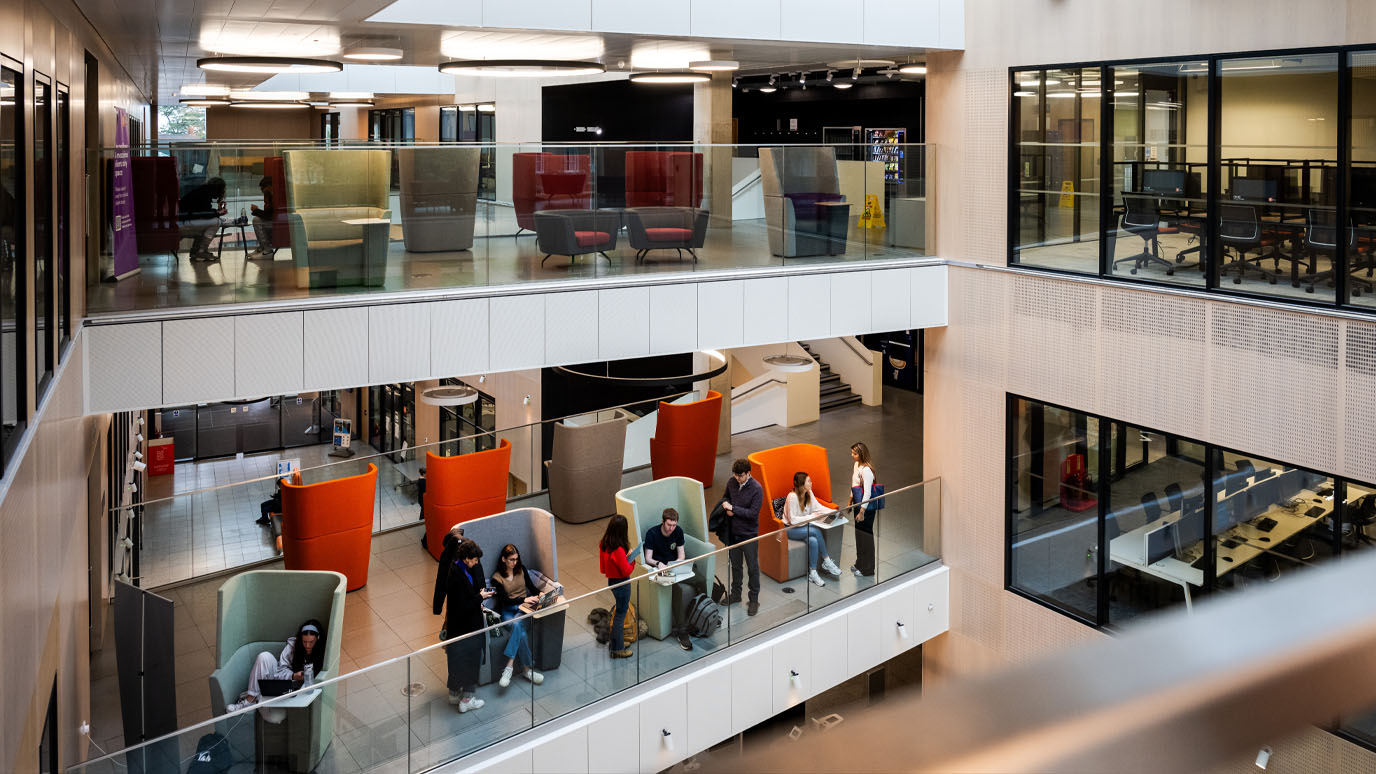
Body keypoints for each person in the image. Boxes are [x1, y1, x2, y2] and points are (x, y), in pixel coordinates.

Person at [433, 534, 492, 712]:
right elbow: (464, 605)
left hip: (457, 627)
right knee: (471, 659)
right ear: (467, 558)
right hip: (468, 626)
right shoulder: (457, 576)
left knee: (456, 659)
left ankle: (453, 693)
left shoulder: (455, 568)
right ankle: (467, 699)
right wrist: (480, 597)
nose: (476, 564)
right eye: (474, 561)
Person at [225, 619, 325, 715]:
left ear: (318, 638)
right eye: (304, 642)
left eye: (311, 642)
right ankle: (249, 700)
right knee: (264, 656)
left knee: (276, 717)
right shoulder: (293, 646)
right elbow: (280, 670)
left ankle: (259, 699)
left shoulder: (322, 652)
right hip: (283, 681)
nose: (307, 645)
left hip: (299, 692)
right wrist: (293, 676)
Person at [490, 543, 545, 688]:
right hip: (508, 611)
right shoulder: (497, 578)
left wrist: (540, 594)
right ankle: (527, 671)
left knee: (517, 624)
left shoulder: (521, 569)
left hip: (524, 609)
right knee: (519, 631)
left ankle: (509, 668)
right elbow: (504, 600)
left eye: (516, 559)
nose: (515, 562)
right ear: (503, 559)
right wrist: (524, 599)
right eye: (511, 560)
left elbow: (532, 588)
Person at [642, 508, 693, 651]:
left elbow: (681, 555)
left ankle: (700, 617)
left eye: (674, 525)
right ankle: (682, 631)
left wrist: (675, 564)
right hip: (659, 568)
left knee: (699, 579)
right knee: (676, 591)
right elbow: (648, 558)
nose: (671, 528)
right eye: (669, 525)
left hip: (674, 567)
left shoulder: (678, 531)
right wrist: (659, 564)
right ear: (662, 522)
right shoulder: (652, 534)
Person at [784, 472, 844, 587]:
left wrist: (834, 512)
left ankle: (812, 573)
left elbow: (819, 508)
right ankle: (827, 561)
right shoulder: (791, 497)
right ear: (802, 484)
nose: (811, 483)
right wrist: (811, 517)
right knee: (816, 531)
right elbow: (793, 521)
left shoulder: (809, 493)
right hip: (790, 530)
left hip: (804, 527)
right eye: (809, 481)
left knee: (813, 540)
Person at [719, 459, 763, 616]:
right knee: (735, 566)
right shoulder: (732, 482)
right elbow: (725, 497)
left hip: (749, 534)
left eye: (741, 476)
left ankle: (753, 600)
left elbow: (752, 514)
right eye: (735, 475)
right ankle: (736, 595)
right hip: (733, 533)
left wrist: (734, 509)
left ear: (748, 473)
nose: (737, 478)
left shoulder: (757, 489)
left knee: (752, 568)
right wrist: (726, 506)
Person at [599, 514, 635, 659]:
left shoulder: (604, 543)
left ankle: (616, 643)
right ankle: (617, 649)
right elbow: (627, 570)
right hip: (622, 583)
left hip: (612, 582)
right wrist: (632, 559)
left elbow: (603, 568)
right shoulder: (618, 549)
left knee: (618, 612)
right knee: (620, 614)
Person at [848, 442, 879, 577]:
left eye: (854, 453)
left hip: (866, 508)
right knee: (859, 536)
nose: (852, 455)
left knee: (866, 537)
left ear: (861, 454)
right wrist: (850, 500)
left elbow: (867, 493)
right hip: (857, 503)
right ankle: (860, 563)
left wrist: (862, 511)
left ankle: (868, 569)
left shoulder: (867, 470)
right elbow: (854, 484)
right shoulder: (857, 465)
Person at [178, 177, 226, 261]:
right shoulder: (204, 194)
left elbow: (204, 211)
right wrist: (218, 213)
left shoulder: (202, 191)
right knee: (216, 222)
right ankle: (201, 252)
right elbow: (203, 214)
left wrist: (217, 212)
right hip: (183, 224)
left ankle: (196, 251)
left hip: (181, 222)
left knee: (206, 227)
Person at [247, 175, 276, 260]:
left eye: (263, 188)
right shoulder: (270, 196)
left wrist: (256, 210)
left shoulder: (274, 197)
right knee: (257, 220)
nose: (262, 190)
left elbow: (269, 216)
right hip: (275, 220)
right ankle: (263, 247)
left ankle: (267, 249)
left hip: (278, 222)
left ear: (269, 186)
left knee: (257, 220)